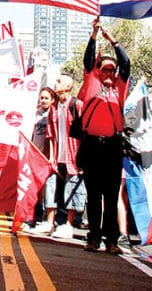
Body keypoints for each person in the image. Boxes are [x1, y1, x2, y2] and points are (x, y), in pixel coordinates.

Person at [76, 17, 130, 254]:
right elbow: (88, 60)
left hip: (112, 147)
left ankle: (112, 240)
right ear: (97, 71)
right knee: (94, 194)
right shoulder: (92, 83)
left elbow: (126, 63)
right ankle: (93, 238)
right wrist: (95, 35)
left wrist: (113, 40)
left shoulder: (119, 87)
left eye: (112, 69)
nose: (109, 71)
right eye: (104, 68)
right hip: (91, 147)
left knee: (111, 194)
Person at [48, 74, 82, 239]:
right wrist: (52, 157)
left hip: (74, 157)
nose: (56, 83)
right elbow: (51, 134)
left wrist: (83, 159)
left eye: (59, 81)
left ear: (69, 87)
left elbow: (84, 132)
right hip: (58, 157)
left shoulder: (76, 105)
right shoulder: (53, 107)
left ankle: (69, 224)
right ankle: (56, 222)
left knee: (71, 189)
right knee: (58, 190)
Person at [23, 87, 59, 234]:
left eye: (46, 98)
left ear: (52, 100)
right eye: (41, 97)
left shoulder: (54, 114)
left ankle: (48, 220)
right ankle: (33, 218)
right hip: (35, 156)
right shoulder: (35, 114)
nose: (43, 100)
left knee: (48, 189)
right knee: (35, 189)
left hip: (48, 158)